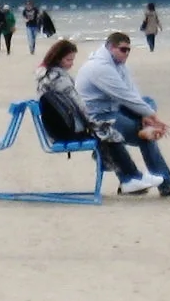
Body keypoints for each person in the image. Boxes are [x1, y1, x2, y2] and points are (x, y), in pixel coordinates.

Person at [76, 31, 170, 197]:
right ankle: (166, 185)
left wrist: (145, 115)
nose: (126, 53)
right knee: (145, 137)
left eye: (128, 50)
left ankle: (147, 176)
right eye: (123, 49)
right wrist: (152, 117)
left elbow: (133, 93)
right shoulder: (99, 67)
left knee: (147, 102)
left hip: (113, 109)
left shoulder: (118, 64)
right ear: (110, 48)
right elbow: (123, 96)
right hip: (97, 118)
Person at [36, 39, 160, 194]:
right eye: (69, 60)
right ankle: (131, 178)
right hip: (66, 129)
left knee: (109, 127)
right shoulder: (58, 79)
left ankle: (132, 177)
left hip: (60, 126)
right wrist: (93, 123)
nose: (71, 64)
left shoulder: (48, 75)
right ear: (57, 58)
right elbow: (79, 105)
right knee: (107, 131)